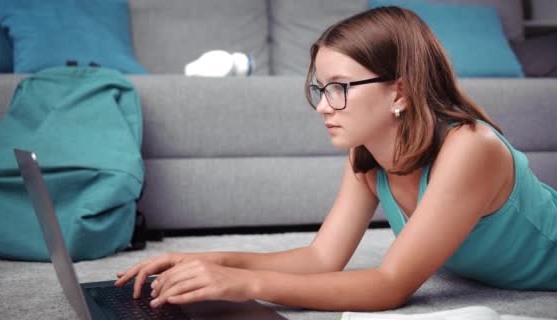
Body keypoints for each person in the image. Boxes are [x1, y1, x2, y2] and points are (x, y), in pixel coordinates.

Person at [114, 6, 557, 311]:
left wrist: (245, 285)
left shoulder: (469, 147)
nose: (323, 106)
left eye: (339, 88)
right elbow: (321, 259)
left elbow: (390, 285)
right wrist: (210, 262)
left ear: (398, 91)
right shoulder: (365, 156)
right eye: (320, 89)